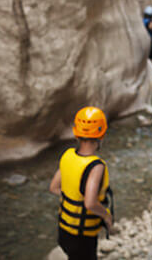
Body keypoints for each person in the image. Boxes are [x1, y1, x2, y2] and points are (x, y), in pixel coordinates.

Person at [49, 107, 114, 260]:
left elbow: (53, 188)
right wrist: (106, 216)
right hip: (82, 235)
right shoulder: (96, 166)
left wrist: (73, 199)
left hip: (64, 230)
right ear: (102, 135)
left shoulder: (67, 155)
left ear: (76, 133)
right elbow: (90, 203)